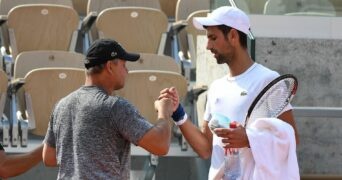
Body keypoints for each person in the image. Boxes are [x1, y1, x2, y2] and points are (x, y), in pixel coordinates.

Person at [159, 6, 299, 180]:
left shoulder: (267, 79)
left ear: (233, 36)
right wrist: (178, 112)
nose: (208, 46)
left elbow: (291, 137)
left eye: (213, 38)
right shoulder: (216, 87)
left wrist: (249, 139)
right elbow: (205, 149)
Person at [42, 39, 174, 179]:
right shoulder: (115, 107)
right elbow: (161, 145)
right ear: (110, 66)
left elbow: (49, 157)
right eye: (124, 65)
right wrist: (164, 111)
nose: (127, 71)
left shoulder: (61, 105)